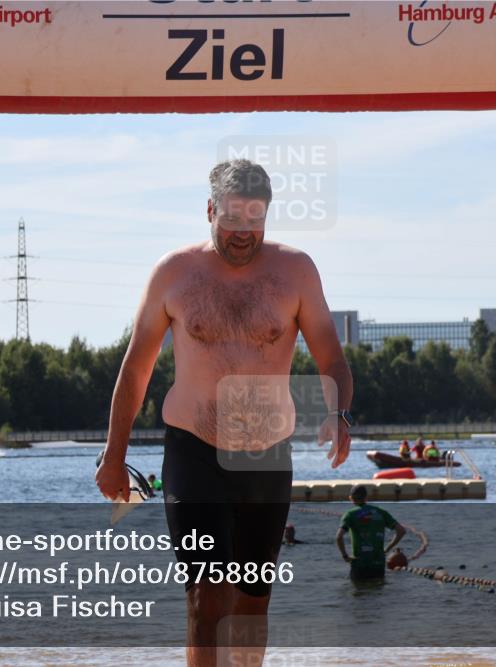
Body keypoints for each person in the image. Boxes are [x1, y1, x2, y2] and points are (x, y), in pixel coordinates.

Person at [95, 159, 354, 667]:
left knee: (253, 603)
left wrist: (338, 412)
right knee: (209, 593)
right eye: (232, 219)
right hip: (194, 450)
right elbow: (136, 369)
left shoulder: (296, 271)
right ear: (210, 210)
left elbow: (332, 358)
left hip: (266, 458)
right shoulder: (173, 273)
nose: (243, 233)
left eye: (255, 220)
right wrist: (114, 454)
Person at [336, 485, 406, 581]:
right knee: (378, 592)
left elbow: (339, 537)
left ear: (350, 498)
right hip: (378, 564)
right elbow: (401, 531)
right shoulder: (381, 512)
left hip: (359, 564)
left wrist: (345, 556)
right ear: (366, 497)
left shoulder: (350, 514)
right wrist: (387, 549)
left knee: (358, 592)